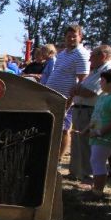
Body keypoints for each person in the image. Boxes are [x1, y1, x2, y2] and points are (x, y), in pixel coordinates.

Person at [68, 45, 111, 182]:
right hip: (80, 109)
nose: (89, 59)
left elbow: (91, 92)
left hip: (89, 110)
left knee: (87, 144)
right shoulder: (96, 70)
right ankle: (76, 172)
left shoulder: (108, 70)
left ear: (102, 56)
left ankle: (88, 175)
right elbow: (80, 87)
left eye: (93, 55)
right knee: (78, 142)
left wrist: (77, 90)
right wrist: (77, 89)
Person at [44, 25, 90, 160]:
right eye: (68, 36)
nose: (71, 39)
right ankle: (50, 154)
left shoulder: (81, 54)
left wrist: (70, 100)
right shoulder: (62, 53)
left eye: (74, 36)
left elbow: (82, 79)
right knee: (52, 126)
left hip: (67, 99)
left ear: (80, 37)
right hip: (53, 96)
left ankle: (58, 158)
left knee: (64, 129)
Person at [81, 67, 111, 198]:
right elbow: (96, 116)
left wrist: (100, 132)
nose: (100, 83)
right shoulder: (103, 96)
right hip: (97, 134)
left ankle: (97, 191)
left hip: (107, 136)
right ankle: (96, 188)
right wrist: (87, 128)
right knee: (95, 160)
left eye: (102, 81)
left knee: (97, 161)